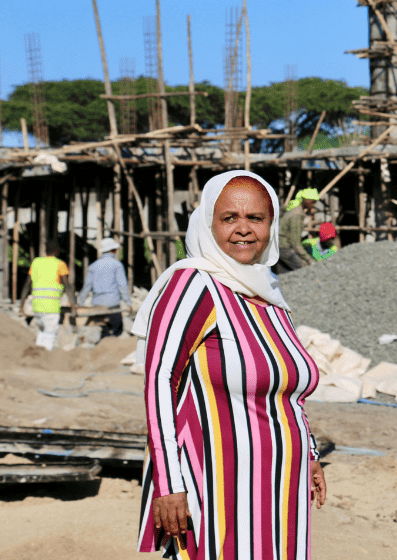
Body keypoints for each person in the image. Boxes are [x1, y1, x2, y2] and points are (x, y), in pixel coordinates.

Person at [131, 170, 326, 559]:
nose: (243, 229)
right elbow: (160, 381)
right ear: (208, 222)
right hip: (216, 483)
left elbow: (288, 392)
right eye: (229, 218)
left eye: (256, 218)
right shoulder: (193, 285)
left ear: (271, 225)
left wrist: (310, 453)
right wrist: (169, 483)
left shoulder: (268, 294)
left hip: (278, 485)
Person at [19, 241, 75, 351]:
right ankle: (45, 359)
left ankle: (38, 357)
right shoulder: (60, 264)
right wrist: (73, 306)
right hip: (51, 308)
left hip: (37, 307)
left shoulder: (36, 263)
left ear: (45, 251)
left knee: (42, 333)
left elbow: (26, 285)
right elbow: (67, 286)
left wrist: (21, 306)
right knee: (50, 335)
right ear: (57, 251)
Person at [77, 237, 131, 338]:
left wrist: (79, 303)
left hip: (97, 304)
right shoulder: (117, 265)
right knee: (117, 331)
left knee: (102, 331)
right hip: (112, 304)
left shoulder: (93, 266)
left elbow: (87, 287)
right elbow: (122, 285)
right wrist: (128, 302)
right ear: (113, 250)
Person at [279, 188, 318, 271]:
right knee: (304, 269)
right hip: (283, 247)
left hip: (278, 245)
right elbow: (295, 243)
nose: (313, 204)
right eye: (312, 201)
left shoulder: (294, 210)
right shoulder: (297, 215)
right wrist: (309, 259)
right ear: (306, 200)